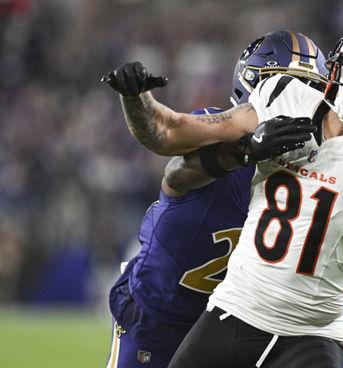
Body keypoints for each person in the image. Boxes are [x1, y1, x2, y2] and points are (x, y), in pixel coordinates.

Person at [103, 18, 343, 367]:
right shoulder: (285, 98)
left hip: (312, 331)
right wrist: (137, 98)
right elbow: (171, 139)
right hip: (224, 308)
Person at [104, 31, 329, 368]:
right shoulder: (227, 134)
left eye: (310, 87)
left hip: (235, 324)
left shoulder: (319, 168)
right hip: (160, 311)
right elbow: (175, 170)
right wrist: (244, 152)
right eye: (286, 84)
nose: (296, 97)